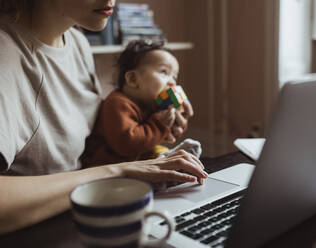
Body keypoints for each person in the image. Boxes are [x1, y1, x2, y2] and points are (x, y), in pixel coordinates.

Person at [0, 0, 207, 234]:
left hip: (82, 214)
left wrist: (155, 119)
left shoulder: (77, 43)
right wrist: (117, 172)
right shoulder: (5, 54)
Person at [81, 39, 202, 167]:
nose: (172, 83)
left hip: (138, 159)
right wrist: (160, 124)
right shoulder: (117, 103)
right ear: (133, 79)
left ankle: (174, 160)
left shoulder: (152, 105)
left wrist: (177, 120)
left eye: (174, 77)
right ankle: (169, 164)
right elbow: (127, 144)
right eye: (164, 72)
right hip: (109, 166)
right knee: (157, 155)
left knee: (161, 152)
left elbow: (159, 134)